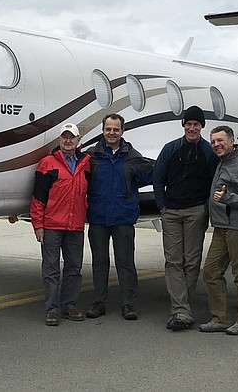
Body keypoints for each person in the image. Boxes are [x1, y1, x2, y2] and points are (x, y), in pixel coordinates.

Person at [152, 105, 218, 331]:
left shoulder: (209, 152)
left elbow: (214, 183)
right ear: (183, 125)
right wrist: (162, 207)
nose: (192, 128)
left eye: (196, 124)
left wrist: (206, 211)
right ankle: (180, 310)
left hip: (195, 212)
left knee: (191, 260)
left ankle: (182, 306)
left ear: (201, 127)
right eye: (188, 124)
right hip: (171, 212)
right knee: (173, 261)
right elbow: (158, 179)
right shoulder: (170, 150)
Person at [83, 113, 154, 321]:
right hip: (98, 219)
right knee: (99, 262)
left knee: (125, 262)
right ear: (103, 131)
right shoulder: (92, 156)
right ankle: (99, 302)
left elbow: (151, 175)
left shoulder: (132, 156)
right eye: (108, 129)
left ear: (122, 131)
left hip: (123, 218)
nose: (111, 133)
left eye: (115, 129)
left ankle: (128, 304)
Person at [198, 125, 238, 336]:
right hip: (222, 227)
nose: (216, 145)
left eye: (220, 140)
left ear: (232, 141)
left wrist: (226, 199)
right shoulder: (224, 163)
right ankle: (220, 318)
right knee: (211, 272)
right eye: (213, 141)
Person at [31, 123, 91, 326]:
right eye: (64, 137)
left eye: (71, 137)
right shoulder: (47, 164)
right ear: (59, 140)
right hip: (52, 226)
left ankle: (69, 306)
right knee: (51, 269)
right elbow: (38, 198)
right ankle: (52, 310)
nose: (68, 141)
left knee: (74, 268)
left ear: (78, 140)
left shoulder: (86, 164)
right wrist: (38, 225)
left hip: (75, 226)